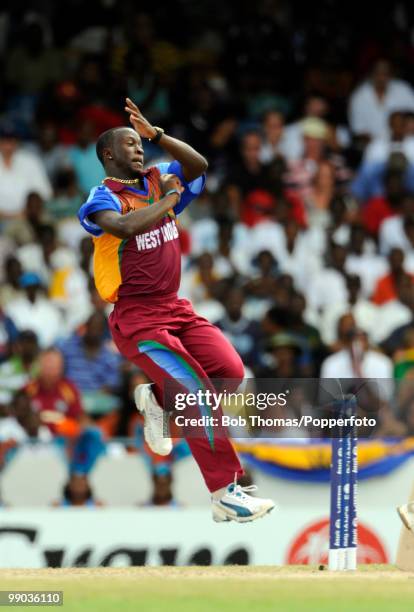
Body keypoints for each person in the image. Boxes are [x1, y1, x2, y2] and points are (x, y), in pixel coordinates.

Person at [78, 97, 274, 523]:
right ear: (109, 155)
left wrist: (159, 135)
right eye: (130, 144)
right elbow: (128, 226)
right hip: (137, 318)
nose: (139, 149)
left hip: (175, 308)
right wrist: (170, 199)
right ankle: (226, 494)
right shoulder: (100, 199)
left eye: (140, 143)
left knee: (230, 373)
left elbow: (199, 166)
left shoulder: (157, 177)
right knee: (199, 394)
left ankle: (158, 400)